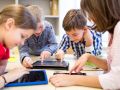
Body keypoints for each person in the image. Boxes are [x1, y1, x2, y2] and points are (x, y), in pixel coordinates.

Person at [50, 0, 120, 89]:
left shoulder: (118, 28)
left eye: (91, 12)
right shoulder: (112, 31)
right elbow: (109, 65)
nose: (90, 19)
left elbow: (116, 80)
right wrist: (87, 56)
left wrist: (73, 79)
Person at [0, 4, 37, 88]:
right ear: (9, 24)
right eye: (22, 36)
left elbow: (2, 66)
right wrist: (7, 78)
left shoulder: (5, 46)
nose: (23, 43)